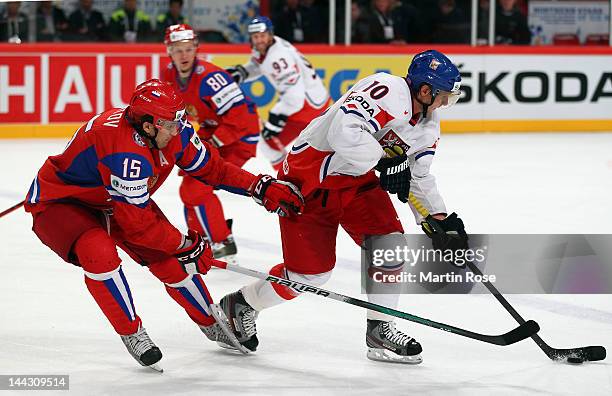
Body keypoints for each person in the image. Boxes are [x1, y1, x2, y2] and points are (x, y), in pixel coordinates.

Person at [24, 79, 304, 369]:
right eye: (171, 123)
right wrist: (186, 244)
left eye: (179, 119)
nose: (179, 128)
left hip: (116, 199)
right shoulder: (125, 152)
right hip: (64, 203)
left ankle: (211, 319)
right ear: (147, 126)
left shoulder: (171, 131)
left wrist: (258, 185)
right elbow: (138, 226)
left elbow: (213, 168)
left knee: (173, 262)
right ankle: (131, 330)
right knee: (99, 253)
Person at [219, 50, 468, 364]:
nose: (446, 103)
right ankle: (242, 304)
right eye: (443, 96)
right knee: (309, 275)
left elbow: (417, 174)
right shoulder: (385, 89)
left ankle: (381, 327)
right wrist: (386, 160)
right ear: (424, 90)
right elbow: (343, 133)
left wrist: (439, 218)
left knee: (389, 245)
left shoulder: (428, 126)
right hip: (310, 179)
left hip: (356, 182)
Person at [162, 23, 261, 263]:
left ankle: (222, 242)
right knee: (189, 184)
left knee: (197, 188)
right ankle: (201, 241)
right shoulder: (168, 75)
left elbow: (239, 117)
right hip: (211, 130)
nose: (183, 54)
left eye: (188, 48)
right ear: (169, 51)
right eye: (177, 49)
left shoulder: (211, 78)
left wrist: (212, 144)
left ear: (196, 48)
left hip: (239, 136)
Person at [226, 16, 330, 170]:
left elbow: (295, 97)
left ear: (269, 34)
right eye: (255, 37)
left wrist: (274, 118)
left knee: (267, 140)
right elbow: (259, 64)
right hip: (313, 101)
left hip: (307, 107)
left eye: (262, 36)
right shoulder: (271, 45)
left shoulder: (278, 57)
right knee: (269, 141)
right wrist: (244, 72)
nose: (259, 40)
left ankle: (287, 176)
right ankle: (289, 174)